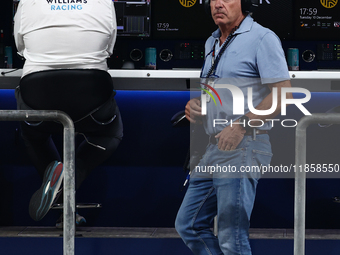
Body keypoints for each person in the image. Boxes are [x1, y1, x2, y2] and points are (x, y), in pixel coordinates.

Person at [175, 0, 292, 254]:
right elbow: (219, 93)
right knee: (189, 225)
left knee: (231, 236)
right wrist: (197, 105)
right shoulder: (212, 42)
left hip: (244, 144)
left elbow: (283, 94)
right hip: (213, 146)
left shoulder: (262, 38)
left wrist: (242, 125)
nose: (218, 4)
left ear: (244, 4)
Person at [13, 0, 123, 226]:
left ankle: (60, 187)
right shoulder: (103, 2)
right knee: (110, 134)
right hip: (91, 104)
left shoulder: (27, 2)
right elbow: (108, 48)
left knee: (33, 134)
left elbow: (21, 47)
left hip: (38, 99)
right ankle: (69, 177)